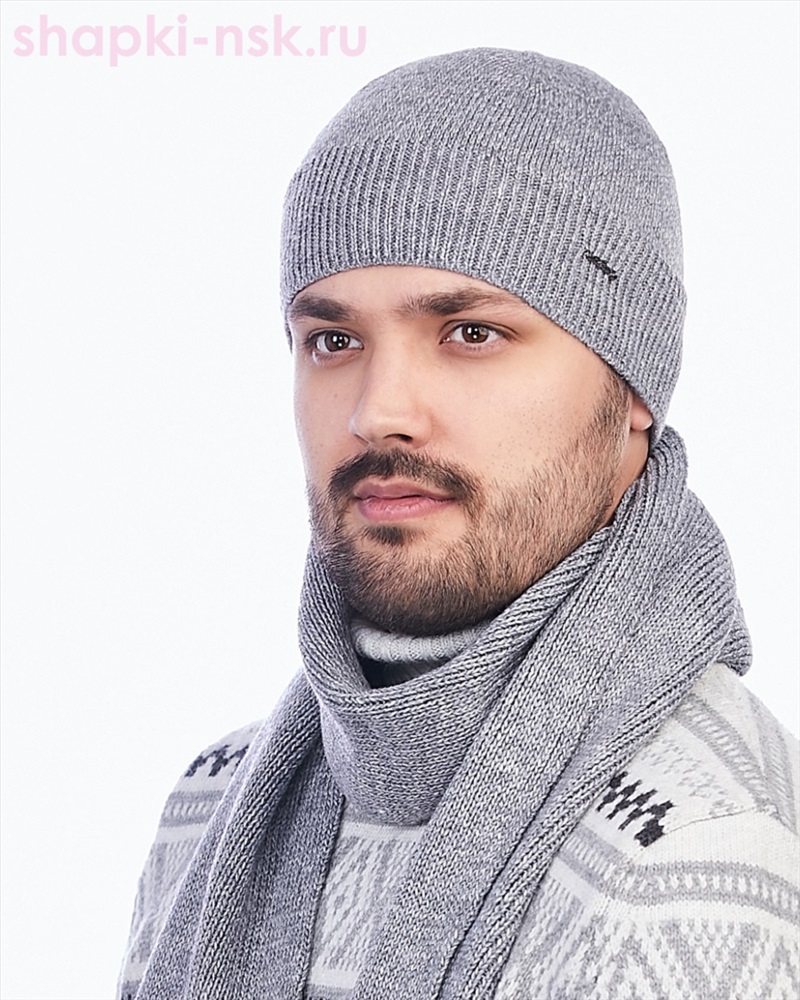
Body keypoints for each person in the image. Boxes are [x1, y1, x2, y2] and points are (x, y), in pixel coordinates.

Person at [118, 48, 799, 1000]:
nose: (378, 412)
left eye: (471, 333)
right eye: (334, 340)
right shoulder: (213, 807)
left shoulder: (693, 857)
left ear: (634, 386)